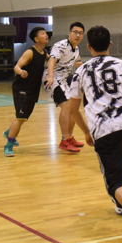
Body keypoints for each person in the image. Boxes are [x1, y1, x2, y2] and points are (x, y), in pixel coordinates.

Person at [68, 25, 122, 242]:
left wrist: (87, 132)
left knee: (114, 182)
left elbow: (72, 109)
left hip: (104, 129)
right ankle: (121, 203)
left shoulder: (80, 72)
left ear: (88, 46)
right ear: (110, 44)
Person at [3, 26, 49, 157]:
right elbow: (16, 66)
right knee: (21, 117)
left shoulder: (44, 53)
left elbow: (52, 62)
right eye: (43, 33)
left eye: (45, 33)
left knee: (23, 117)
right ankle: (8, 146)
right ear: (36, 39)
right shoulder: (30, 52)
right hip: (21, 88)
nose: (46, 35)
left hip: (33, 89)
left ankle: (8, 132)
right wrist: (21, 71)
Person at [44, 22, 85, 153]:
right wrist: (51, 77)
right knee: (67, 106)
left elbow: (79, 65)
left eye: (80, 33)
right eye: (75, 32)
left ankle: (70, 137)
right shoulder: (61, 45)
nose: (78, 35)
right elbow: (51, 61)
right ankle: (64, 140)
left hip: (63, 80)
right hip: (52, 79)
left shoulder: (76, 49)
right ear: (69, 33)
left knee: (73, 108)